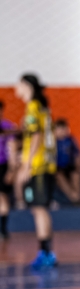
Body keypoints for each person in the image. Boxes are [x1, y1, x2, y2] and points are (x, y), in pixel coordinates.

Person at [14, 74, 58, 268]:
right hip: (46, 164)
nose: (16, 88)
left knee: (40, 210)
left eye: (19, 84)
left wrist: (27, 164)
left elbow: (37, 136)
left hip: (39, 166)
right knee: (39, 209)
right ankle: (46, 252)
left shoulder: (32, 106)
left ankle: (45, 253)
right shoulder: (42, 107)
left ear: (27, 86)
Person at [54, 119, 80, 204]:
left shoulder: (70, 140)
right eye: (59, 129)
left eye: (63, 129)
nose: (61, 132)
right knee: (59, 176)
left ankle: (77, 195)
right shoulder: (52, 141)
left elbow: (78, 154)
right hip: (57, 168)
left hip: (69, 166)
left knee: (76, 174)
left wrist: (78, 165)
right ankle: (74, 197)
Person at [0, 100, 17, 239]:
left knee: (2, 197)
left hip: (2, 166)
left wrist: (12, 170)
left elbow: (12, 149)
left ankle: (3, 229)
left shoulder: (7, 127)